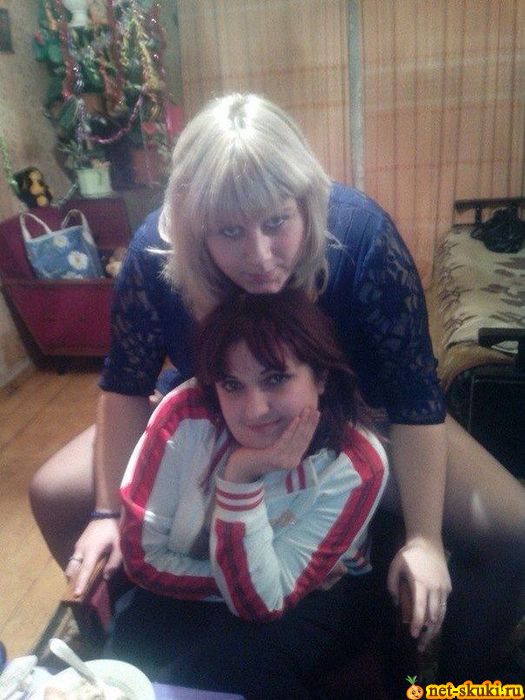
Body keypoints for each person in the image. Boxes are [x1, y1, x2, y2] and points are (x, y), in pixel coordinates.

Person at [30, 93, 524, 682]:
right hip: (212, 410)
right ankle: (137, 629)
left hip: (358, 416)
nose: (260, 256)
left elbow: (414, 396)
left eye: (276, 222)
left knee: (515, 531)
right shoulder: (155, 253)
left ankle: (454, 681)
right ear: (194, 227)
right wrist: (107, 512)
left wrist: (423, 537)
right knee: (53, 491)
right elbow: (125, 384)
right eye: (230, 231)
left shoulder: (362, 237)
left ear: (307, 202)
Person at [107, 290, 388, 697]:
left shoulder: (355, 463)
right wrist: (236, 581)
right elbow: (142, 557)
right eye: (232, 385)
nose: (254, 410)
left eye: (276, 379)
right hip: (196, 580)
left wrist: (240, 477)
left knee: (236, 668)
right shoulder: (183, 417)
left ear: (321, 377)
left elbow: (259, 605)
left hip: (319, 595)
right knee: (124, 661)